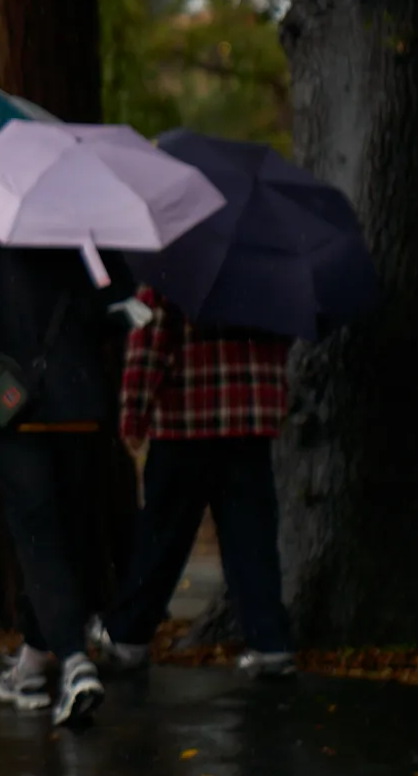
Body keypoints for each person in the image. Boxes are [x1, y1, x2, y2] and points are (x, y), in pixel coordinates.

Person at [0, 218, 133, 728]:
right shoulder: (85, 221)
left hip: (15, 400)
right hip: (82, 401)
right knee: (68, 532)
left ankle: (74, 662)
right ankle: (33, 664)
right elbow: (119, 297)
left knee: (37, 535)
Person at [96, 287, 297, 678]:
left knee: (162, 537)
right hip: (249, 419)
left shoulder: (176, 270)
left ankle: (128, 637)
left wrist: (134, 413)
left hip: (186, 419)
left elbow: (150, 338)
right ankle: (269, 642)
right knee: (251, 539)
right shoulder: (268, 277)